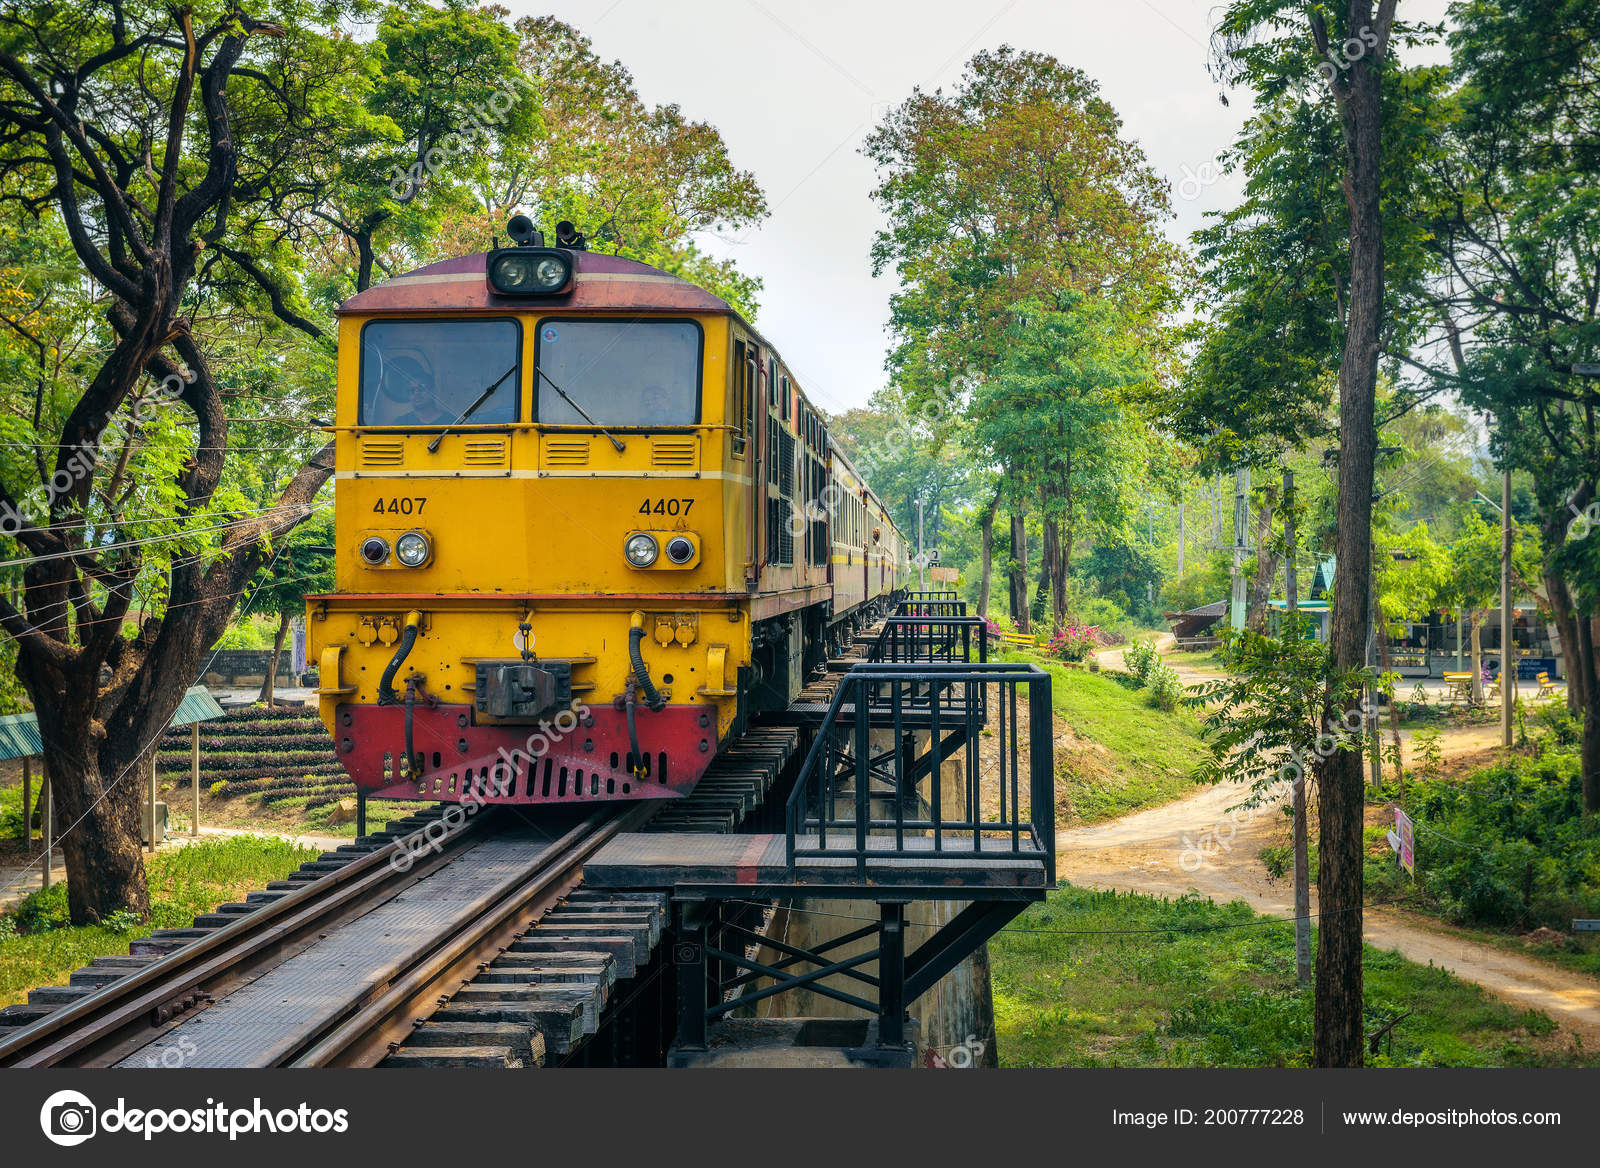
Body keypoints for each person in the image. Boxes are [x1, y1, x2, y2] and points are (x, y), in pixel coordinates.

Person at [389, 356, 452, 425]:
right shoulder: (401, 423)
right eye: (412, 390)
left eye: (421, 388)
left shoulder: (451, 422)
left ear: (433, 390)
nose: (416, 393)